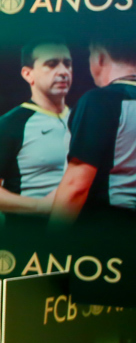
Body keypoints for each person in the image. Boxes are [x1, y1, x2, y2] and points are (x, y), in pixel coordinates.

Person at [0, 43, 72, 223]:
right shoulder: (9, 125)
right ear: (28, 74)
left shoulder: (81, 118)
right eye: (52, 64)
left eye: (67, 64)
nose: (63, 71)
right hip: (29, 234)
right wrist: (40, 207)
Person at [52, 36, 136, 223]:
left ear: (100, 57)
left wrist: (52, 236)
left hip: (108, 226)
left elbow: (76, 185)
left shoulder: (99, 101)